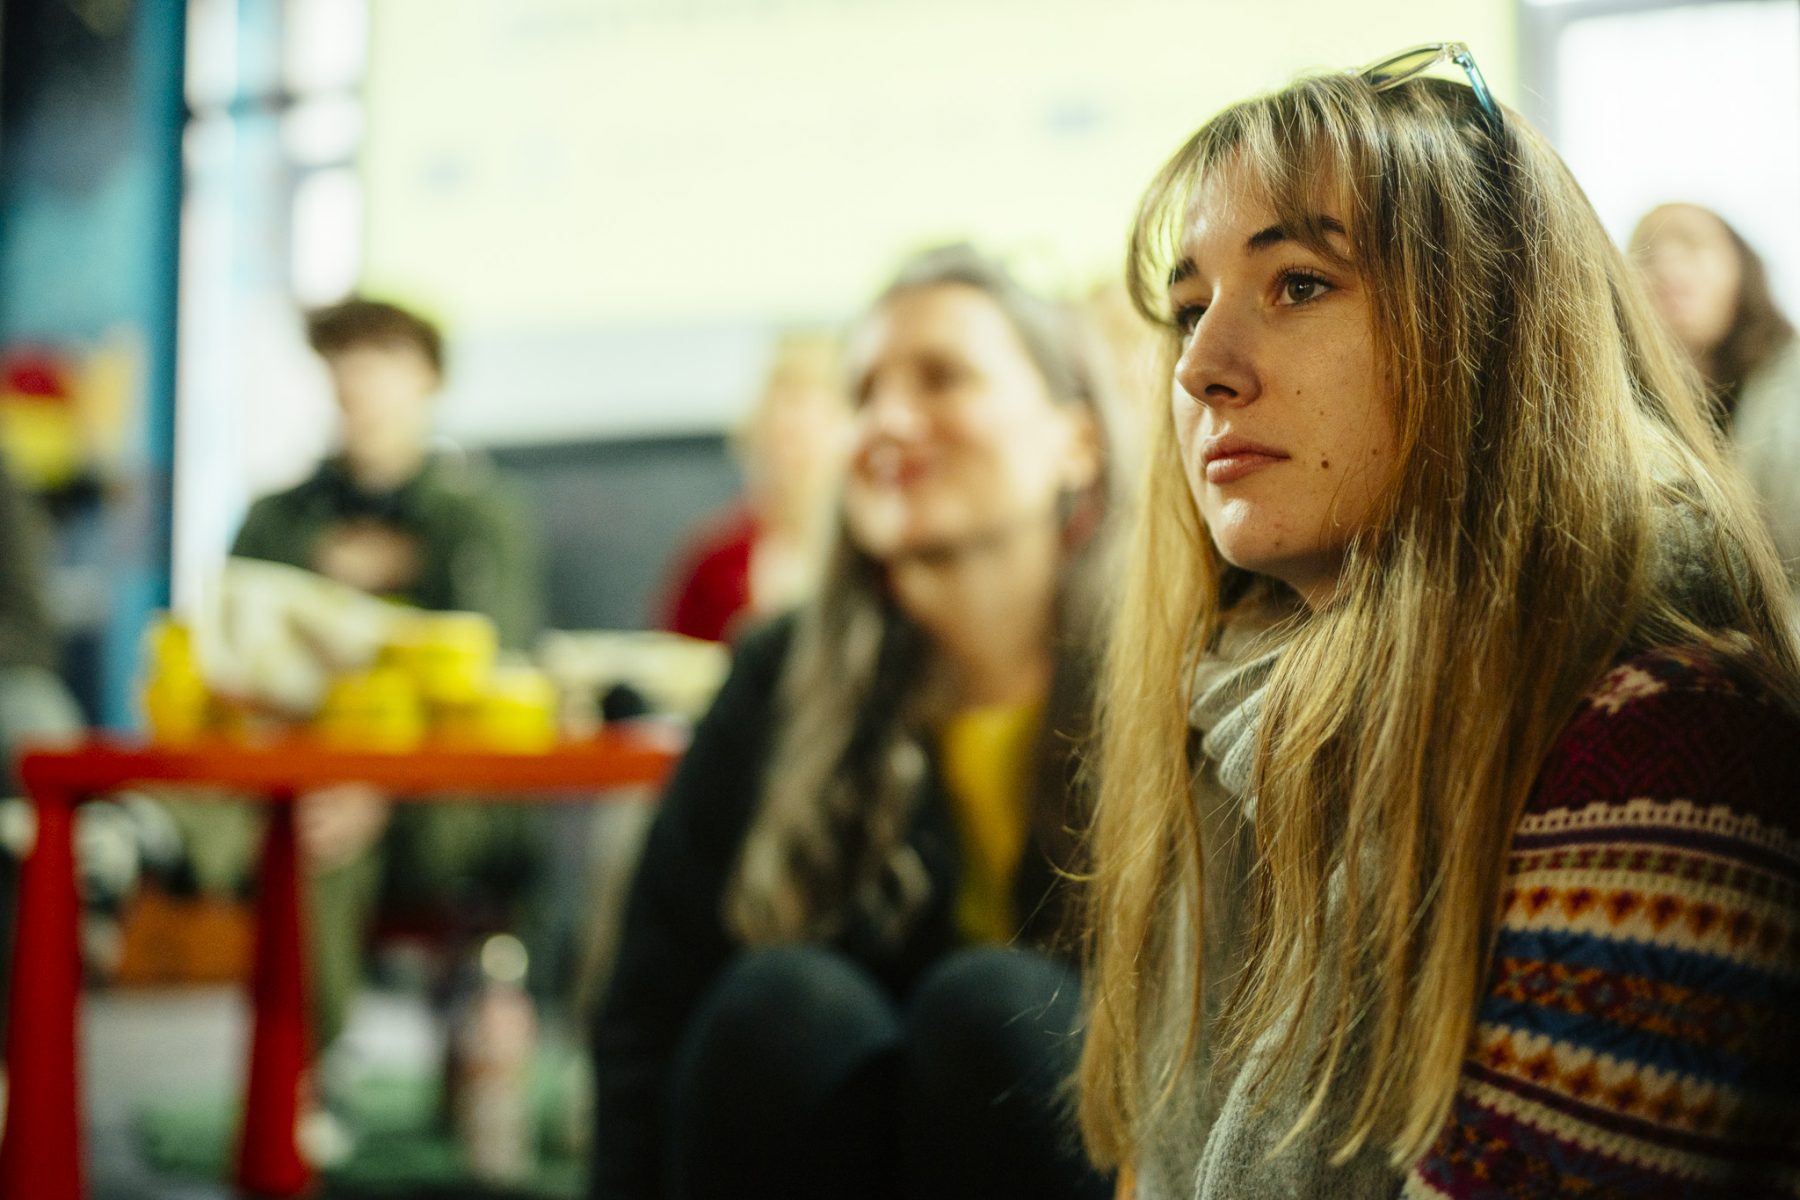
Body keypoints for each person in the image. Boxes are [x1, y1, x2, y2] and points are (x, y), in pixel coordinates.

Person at [1075, 46, 1800, 1200]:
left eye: (1298, 284)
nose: (1204, 367)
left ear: (1496, 329)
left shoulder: (1672, 746)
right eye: (1189, 309)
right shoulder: (1228, 707)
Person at [590, 246, 1123, 1200]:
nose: (888, 422)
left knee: (995, 1012)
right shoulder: (781, 673)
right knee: (783, 1009)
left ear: (1075, 441)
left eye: (942, 377)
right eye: (864, 391)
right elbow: (650, 1006)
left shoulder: (1169, 670)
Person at [189, 297, 545, 1065]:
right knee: (278, 815)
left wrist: (383, 784)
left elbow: (496, 681)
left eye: (384, 358)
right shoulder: (277, 519)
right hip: (293, 772)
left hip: (437, 792)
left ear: (428, 378)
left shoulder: (476, 520)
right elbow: (231, 667)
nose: (361, 380)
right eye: (346, 359)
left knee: (321, 836)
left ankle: (302, 1071)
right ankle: (138, 852)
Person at [1631, 203, 1800, 616]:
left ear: (1741, 268)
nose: (1668, 267)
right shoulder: (1630, 415)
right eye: (1648, 253)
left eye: (1691, 244)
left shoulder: (1790, 385)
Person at [657, 330, 850, 642]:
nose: (790, 426)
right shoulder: (714, 564)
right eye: (781, 432)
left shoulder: (879, 559)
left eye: (812, 417)